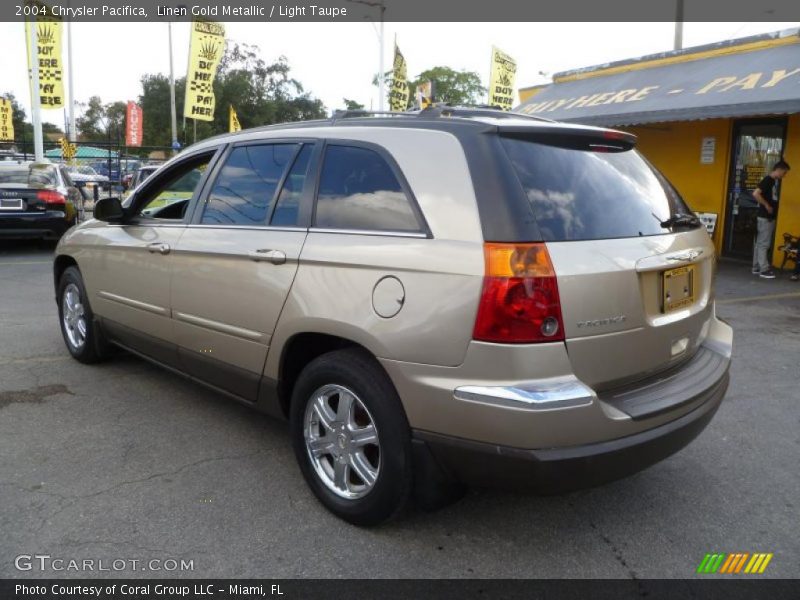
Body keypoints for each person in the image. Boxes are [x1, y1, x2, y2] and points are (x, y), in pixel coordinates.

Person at [752, 160, 791, 279]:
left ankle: (756, 266)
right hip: (766, 217)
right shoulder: (768, 180)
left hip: (766, 217)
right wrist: (767, 205)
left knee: (760, 243)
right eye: (784, 173)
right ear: (778, 170)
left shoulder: (773, 181)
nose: (784, 175)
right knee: (764, 243)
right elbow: (756, 194)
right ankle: (764, 269)